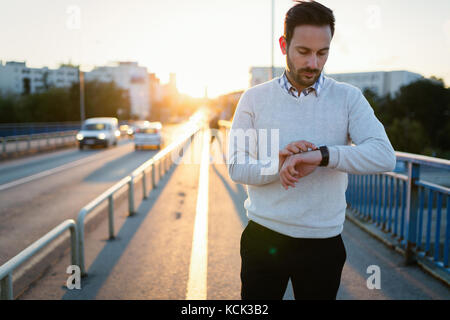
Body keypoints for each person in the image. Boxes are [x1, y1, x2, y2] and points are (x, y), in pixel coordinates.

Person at [227, 0, 396, 300]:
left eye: (323, 53)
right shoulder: (254, 99)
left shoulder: (348, 98)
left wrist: (322, 156)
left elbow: (384, 155)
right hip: (263, 238)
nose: (313, 64)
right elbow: (237, 167)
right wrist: (277, 163)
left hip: (323, 244)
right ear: (284, 45)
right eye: (304, 52)